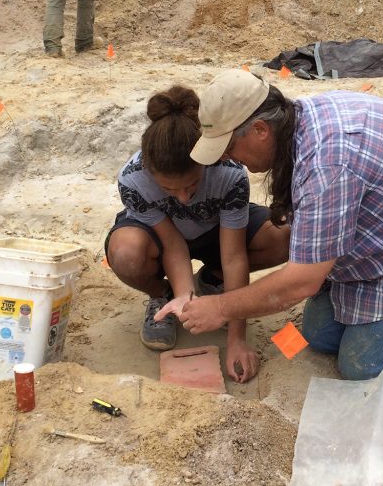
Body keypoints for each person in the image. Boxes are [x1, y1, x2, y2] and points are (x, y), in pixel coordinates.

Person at [157, 69, 383, 382]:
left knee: (362, 367)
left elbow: (301, 281)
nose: (226, 158)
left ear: (259, 130)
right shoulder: (299, 120)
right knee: (319, 336)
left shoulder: (327, 167)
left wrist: (220, 308)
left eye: (228, 147)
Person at [104, 85, 290, 383]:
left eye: (192, 185)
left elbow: (233, 255)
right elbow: (173, 243)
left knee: (284, 235)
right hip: (160, 238)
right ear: (151, 173)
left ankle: (212, 281)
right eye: (168, 190)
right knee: (126, 253)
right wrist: (183, 297)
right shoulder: (133, 178)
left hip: (214, 231)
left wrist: (236, 339)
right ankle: (160, 295)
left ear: (205, 164)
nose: (183, 199)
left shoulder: (228, 173)